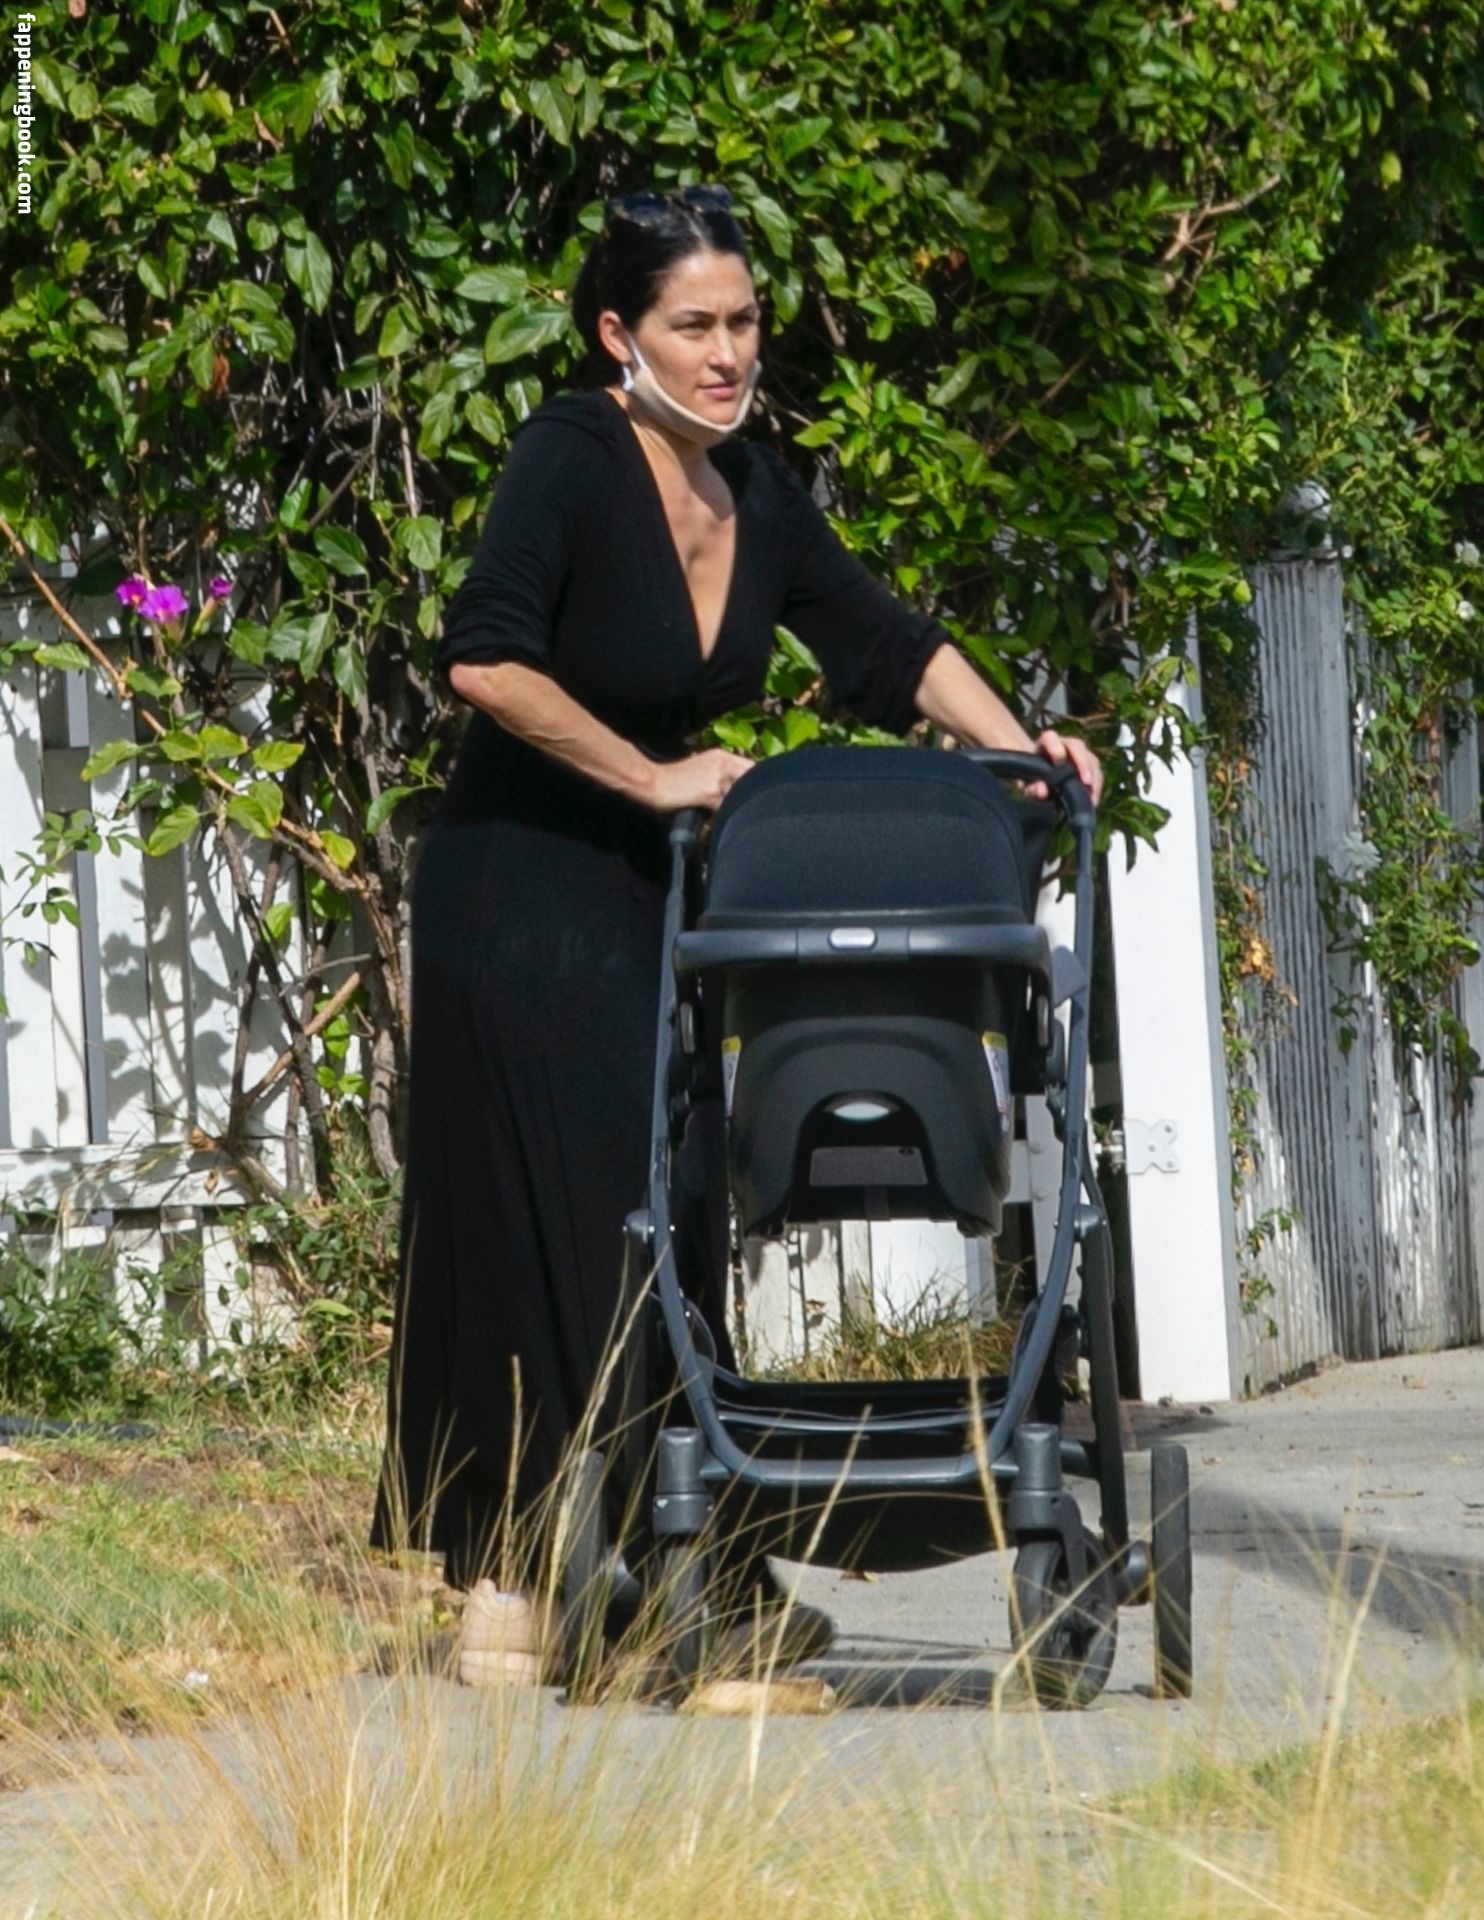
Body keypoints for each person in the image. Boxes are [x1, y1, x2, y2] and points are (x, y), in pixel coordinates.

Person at [372, 183, 1102, 1686]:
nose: (725, 354)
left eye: (743, 322)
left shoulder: (754, 490)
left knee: (676, 1213)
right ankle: (511, 1580)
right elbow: (486, 661)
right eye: (691, 325)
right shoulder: (570, 457)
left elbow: (885, 642)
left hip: (661, 903)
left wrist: (1026, 753)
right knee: (554, 1223)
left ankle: (679, 1566)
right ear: (616, 335)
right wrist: (652, 775)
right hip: (522, 888)